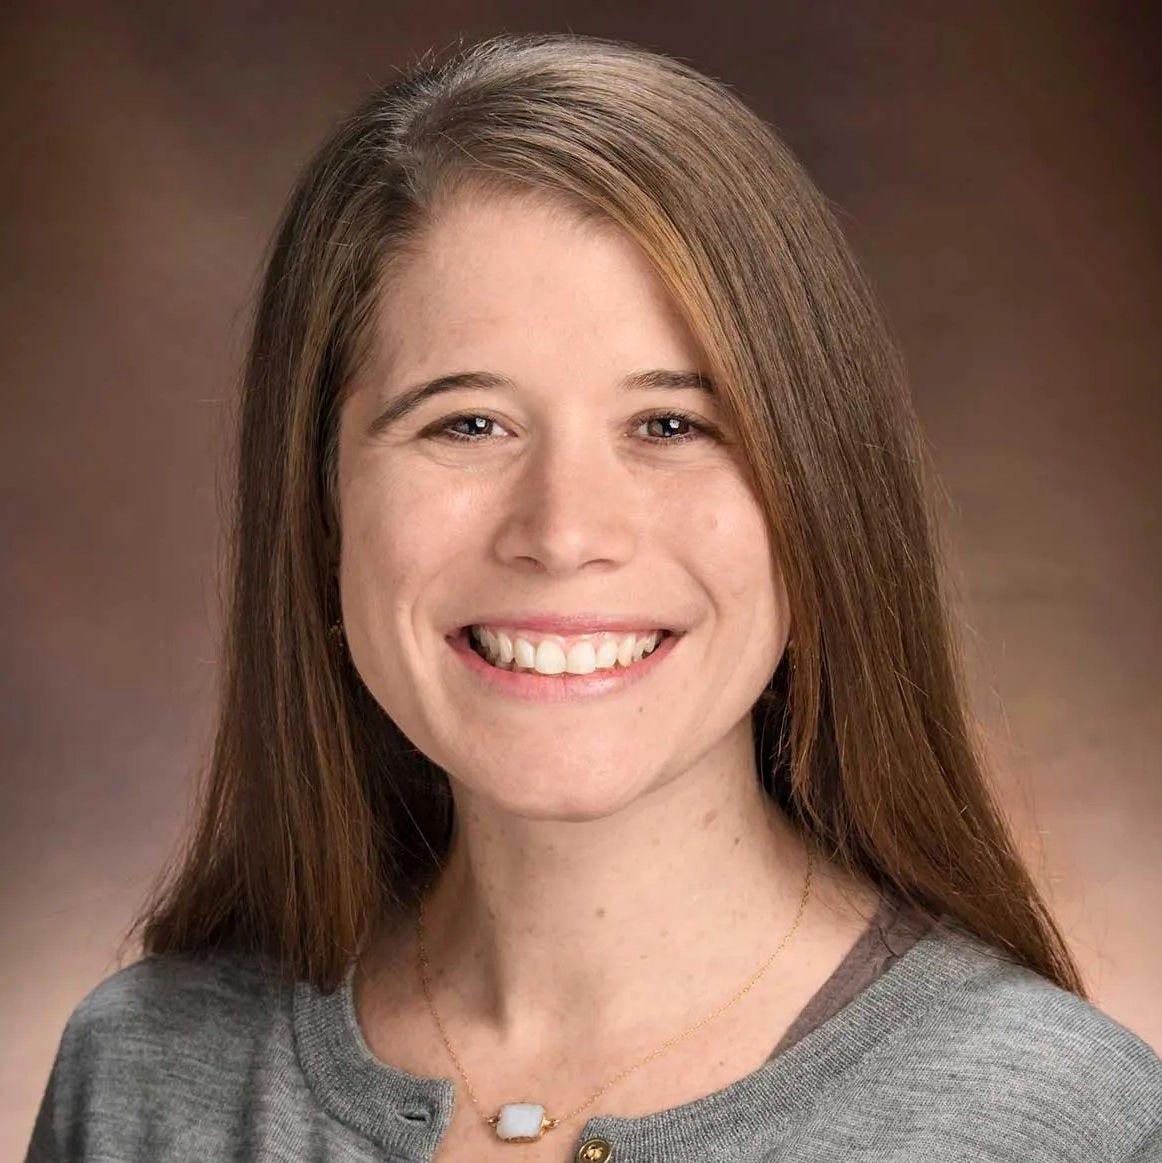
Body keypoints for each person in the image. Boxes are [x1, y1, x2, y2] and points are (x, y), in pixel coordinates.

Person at [25, 30, 1161, 1163]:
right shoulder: (140, 1079)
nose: (563, 532)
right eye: (466, 422)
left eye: (671, 424)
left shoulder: (1054, 1119)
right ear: (319, 497)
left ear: (820, 493)